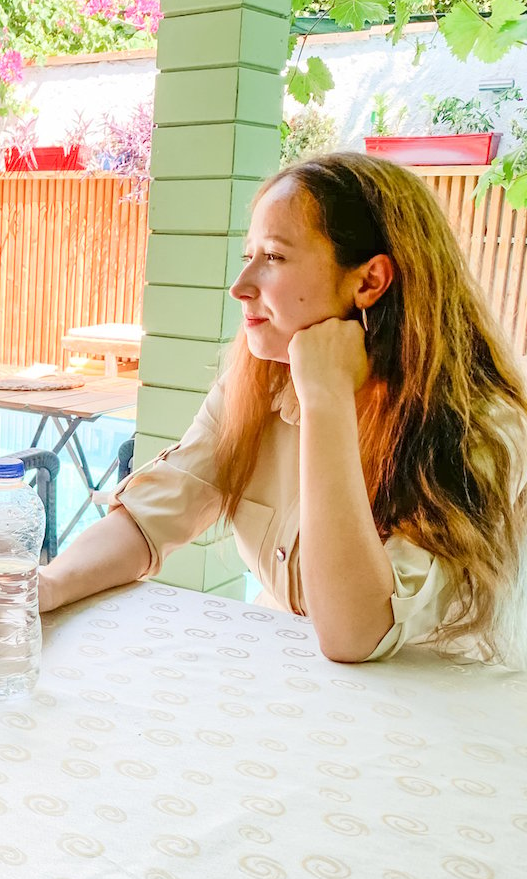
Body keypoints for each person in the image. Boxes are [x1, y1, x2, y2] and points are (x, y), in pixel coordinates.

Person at [38, 152, 527, 666]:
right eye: (248, 255)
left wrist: (327, 400)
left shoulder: (483, 428)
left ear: (368, 282)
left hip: (444, 710)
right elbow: (149, 520)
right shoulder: (259, 385)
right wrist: (43, 586)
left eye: (273, 257)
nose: (240, 285)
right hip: (297, 688)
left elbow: (356, 634)